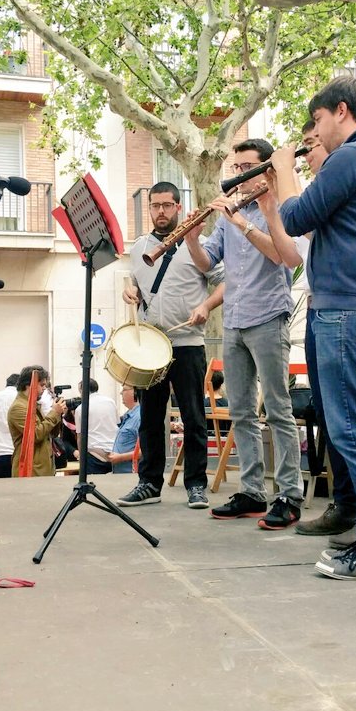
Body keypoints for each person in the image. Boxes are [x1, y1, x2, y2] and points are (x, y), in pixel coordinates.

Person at [274, 76, 356, 579]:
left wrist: (284, 171)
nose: (315, 132)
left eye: (317, 120)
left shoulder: (354, 155)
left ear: (342, 111)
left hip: (348, 309)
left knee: (354, 430)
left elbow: (296, 218)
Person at [184, 139, 304, 530]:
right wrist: (191, 237)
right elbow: (207, 263)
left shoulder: (281, 207)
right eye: (235, 168)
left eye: (246, 167)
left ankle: (289, 495)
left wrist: (243, 223)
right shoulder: (228, 215)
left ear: (266, 170)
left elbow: (282, 255)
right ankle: (252, 491)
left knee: (278, 409)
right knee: (240, 412)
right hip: (234, 321)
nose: (238, 175)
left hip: (268, 316)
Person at [117, 181, 224, 510]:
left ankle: (196, 484)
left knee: (193, 417)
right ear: (149, 208)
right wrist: (130, 291)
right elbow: (136, 283)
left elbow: (225, 283)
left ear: (179, 207)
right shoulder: (139, 247)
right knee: (149, 417)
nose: (160, 211)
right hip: (150, 346)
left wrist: (206, 306)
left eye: (166, 205)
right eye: (155, 205)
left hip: (188, 342)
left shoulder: (199, 244)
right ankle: (149, 483)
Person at [8, 366, 67, 477]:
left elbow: (52, 434)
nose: (44, 389)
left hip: (40, 469)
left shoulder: (32, 405)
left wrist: (58, 413)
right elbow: (35, 435)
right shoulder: (18, 407)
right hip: (31, 471)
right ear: (29, 385)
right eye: (42, 385)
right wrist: (54, 412)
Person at [74, 378, 119, 474]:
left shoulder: (81, 408)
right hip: (114, 451)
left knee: (94, 482)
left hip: (94, 454)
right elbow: (117, 423)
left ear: (82, 390)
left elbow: (80, 436)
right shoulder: (111, 402)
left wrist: (82, 459)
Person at [109, 385, 141, 474]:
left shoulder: (139, 417)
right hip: (122, 473)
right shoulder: (129, 415)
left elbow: (145, 450)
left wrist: (120, 458)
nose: (121, 393)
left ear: (135, 392)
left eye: (124, 390)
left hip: (131, 474)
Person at [205, 370, 229, 436]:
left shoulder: (201, 404)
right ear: (221, 384)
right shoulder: (227, 404)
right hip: (224, 440)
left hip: (204, 438)